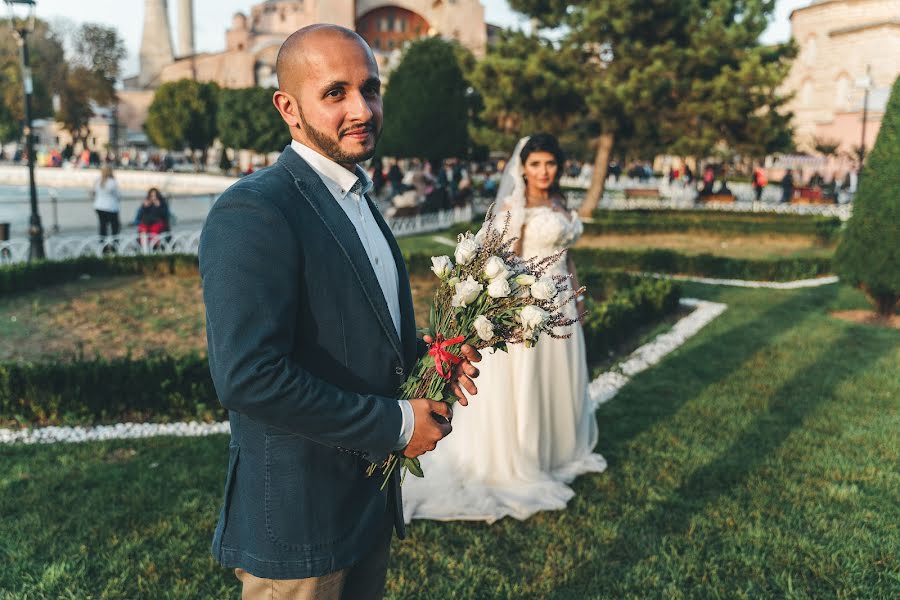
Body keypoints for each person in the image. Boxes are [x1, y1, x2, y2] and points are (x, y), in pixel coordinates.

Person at [199, 25, 481, 599]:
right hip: (300, 525)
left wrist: (431, 357)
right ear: (289, 107)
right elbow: (248, 376)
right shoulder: (255, 209)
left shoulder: (358, 197)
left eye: (370, 89)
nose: (362, 108)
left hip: (366, 508)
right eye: (335, 93)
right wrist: (399, 424)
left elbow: (358, 330)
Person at [402, 133, 606, 524]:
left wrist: (577, 298)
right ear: (522, 168)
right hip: (531, 311)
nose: (543, 172)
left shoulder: (560, 203)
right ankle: (523, 455)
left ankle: (558, 449)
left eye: (550, 163)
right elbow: (506, 264)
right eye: (535, 164)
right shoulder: (516, 209)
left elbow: (565, 256)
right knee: (529, 384)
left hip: (561, 305)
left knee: (557, 380)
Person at [92, 165, 121, 238]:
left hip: (99, 206)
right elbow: (117, 195)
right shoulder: (112, 182)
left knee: (103, 226)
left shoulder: (98, 181)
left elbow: (94, 193)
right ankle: (115, 244)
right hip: (110, 207)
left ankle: (103, 245)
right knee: (115, 227)